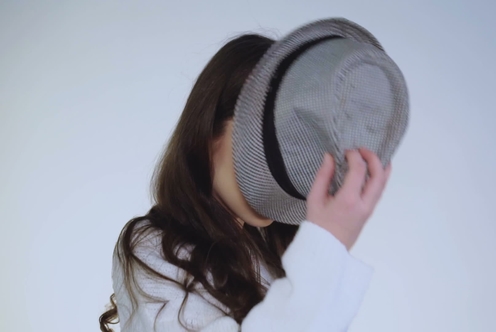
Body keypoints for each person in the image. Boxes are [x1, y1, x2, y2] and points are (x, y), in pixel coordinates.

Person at [99, 22, 400, 332]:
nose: (281, 161)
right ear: (209, 129)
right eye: (267, 137)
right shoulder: (155, 246)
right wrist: (327, 248)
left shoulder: (276, 260)